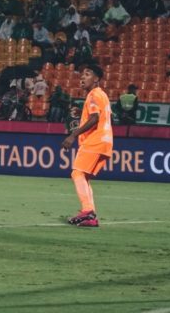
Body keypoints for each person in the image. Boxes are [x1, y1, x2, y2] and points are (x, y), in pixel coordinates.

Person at [61, 64, 113, 228]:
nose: (83, 77)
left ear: (96, 79)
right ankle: (90, 216)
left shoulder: (93, 94)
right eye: (82, 74)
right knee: (84, 177)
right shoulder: (102, 95)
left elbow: (95, 118)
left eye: (88, 74)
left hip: (94, 141)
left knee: (77, 173)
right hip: (105, 142)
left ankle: (87, 211)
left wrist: (73, 135)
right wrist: (82, 114)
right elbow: (98, 116)